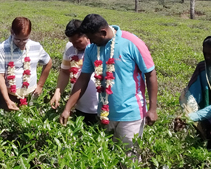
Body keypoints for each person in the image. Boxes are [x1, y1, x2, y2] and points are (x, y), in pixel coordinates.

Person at [60, 14, 158, 152]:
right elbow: (83, 79)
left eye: (92, 38)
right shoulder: (92, 49)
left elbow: (150, 74)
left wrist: (152, 109)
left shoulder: (131, 42)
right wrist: (67, 108)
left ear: (103, 32)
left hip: (130, 114)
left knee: (128, 158)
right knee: (106, 157)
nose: (90, 42)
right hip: (104, 114)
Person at [0, 17, 53, 110]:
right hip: (9, 96)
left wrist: (40, 85)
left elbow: (48, 63)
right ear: (11, 32)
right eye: (17, 39)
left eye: (25, 39)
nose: (21, 43)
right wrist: (7, 100)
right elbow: (0, 76)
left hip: (31, 95)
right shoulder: (2, 49)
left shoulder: (36, 46)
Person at [50, 19, 98, 125]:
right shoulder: (70, 47)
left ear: (87, 36)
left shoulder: (97, 47)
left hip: (99, 107)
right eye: (72, 42)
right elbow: (65, 72)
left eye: (78, 41)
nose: (75, 45)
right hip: (78, 106)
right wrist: (58, 91)